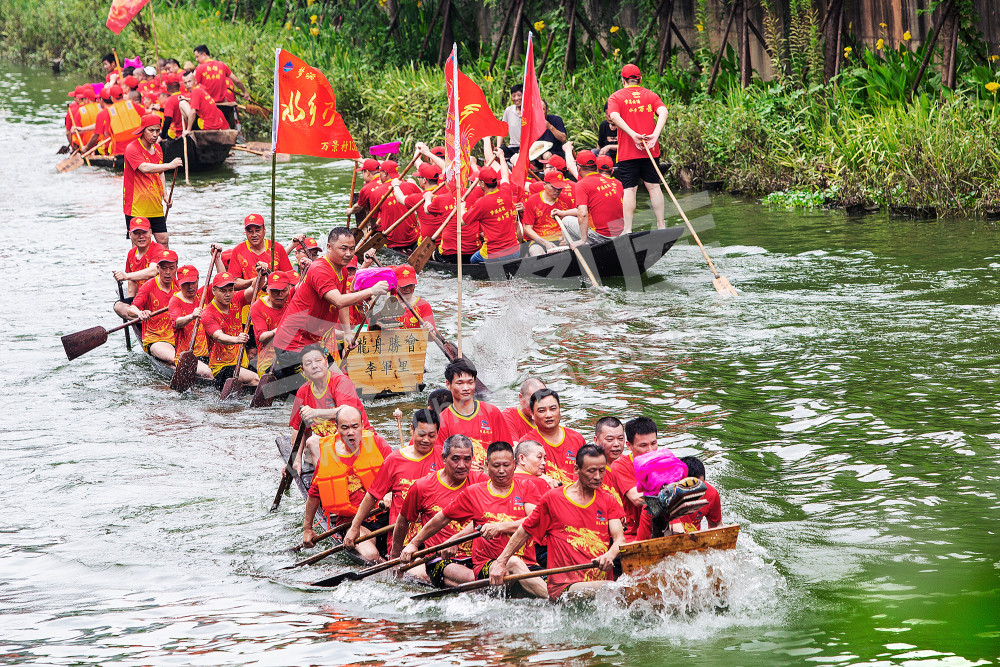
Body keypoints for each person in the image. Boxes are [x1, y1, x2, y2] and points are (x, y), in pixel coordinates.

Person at [399, 442, 544, 596]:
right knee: (513, 562)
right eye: (496, 466)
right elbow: (442, 518)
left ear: (514, 464)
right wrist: (414, 543)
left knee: (556, 582)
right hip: (489, 565)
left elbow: (534, 521)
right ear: (487, 465)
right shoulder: (474, 493)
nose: (501, 470)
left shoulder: (526, 487)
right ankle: (553, 601)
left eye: (506, 465)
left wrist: (499, 527)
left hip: (528, 563)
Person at [489, 445, 625, 600]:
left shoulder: (608, 500)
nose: (597, 477)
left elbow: (619, 539)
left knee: (619, 589)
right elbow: (524, 531)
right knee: (614, 590)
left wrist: (610, 555)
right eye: (591, 471)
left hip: (598, 583)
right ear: (576, 469)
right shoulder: (553, 499)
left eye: (601, 471)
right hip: (565, 586)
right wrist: (501, 562)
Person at [271, 227, 388, 381]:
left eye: (352, 249)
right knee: (319, 389)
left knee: (340, 382)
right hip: (293, 343)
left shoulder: (342, 270)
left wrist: (347, 333)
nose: (348, 254)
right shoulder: (320, 270)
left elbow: (342, 302)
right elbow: (338, 300)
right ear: (329, 247)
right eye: (343, 248)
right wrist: (371, 290)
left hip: (314, 343)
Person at [299, 406, 393, 559]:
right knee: (371, 555)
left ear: (362, 425)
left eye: (355, 426)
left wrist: (389, 494)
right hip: (354, 522)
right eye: (345, 427)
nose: (351, 432)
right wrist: (307, 529)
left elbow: (399, 475)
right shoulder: (328, 456)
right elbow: (314, 495)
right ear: (337, 428)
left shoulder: (378, 443)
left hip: (386, 514)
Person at [343, 409, 441, 549]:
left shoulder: (445, 458)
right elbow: (373, 495)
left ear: (437, 433)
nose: (426, 440)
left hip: (436, 535)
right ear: (412, 430)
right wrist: (355, 526)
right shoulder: (394, 460)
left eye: (431, 436)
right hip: (403, 538)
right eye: (421, 434)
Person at [391, 434, 480, 588]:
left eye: (467, 459)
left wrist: (456, 539)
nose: (462, 465)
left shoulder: (482, 482)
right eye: (455, 459)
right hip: (438, 558)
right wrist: (394, 558)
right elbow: (403, 520)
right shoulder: (422, 486)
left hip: (475, 556)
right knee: (474, 582)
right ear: (444, 458)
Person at [290, 344, 371, 475]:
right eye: (308, 363)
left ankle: (332, 476)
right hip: (332, 445)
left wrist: (315, 413)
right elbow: (297, 429)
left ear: (326, 362)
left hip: (358, 441)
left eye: (318, 360)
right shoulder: (302, 392)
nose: (314, 366)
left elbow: (346, 413)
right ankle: (330, 478)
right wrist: (296, 459)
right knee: (310, 446)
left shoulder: (342, 382)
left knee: (312, 443)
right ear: (303, 370)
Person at [607, 64, 669, 233]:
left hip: (628, 152)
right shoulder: (651, 95)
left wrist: (633, 134)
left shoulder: (616, 97)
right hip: (650, 148)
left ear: (623, 80)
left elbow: (614, 116)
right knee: (654, 187)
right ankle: (661, 226)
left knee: (630, 190)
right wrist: (655, 135)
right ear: (640, 79)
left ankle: (627, 230)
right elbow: (664, 112)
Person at [435, 359, 512, 467]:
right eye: (460, 383)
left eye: (470, 383)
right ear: (448, 384)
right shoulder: (442, 421)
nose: (466, 388)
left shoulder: (492, 412)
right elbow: (440, 461)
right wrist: (466, 467)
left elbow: (507, 451)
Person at [124, 114, 181, 247]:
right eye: (151, 130)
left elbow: (160, 172)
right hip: (136, 207)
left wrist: (165, 195)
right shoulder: (132, 148)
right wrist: (169, 165)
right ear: (143, 130)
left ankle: (164, 261)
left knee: (163, 239)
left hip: (155, 204)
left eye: (157, 130)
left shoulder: (158, 148)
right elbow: (144, 168)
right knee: (139, 242)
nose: (155, 134)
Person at [637, 455, 722, 539]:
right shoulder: (668, 496)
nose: (696, 492)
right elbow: (679, 536)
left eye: (698, 486)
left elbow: (717, 526)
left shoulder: (710, 493)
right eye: (689, 488)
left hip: (691, 538)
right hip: (652, 541)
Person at [200, 271, 260, 389]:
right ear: (213, 291)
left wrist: (261, 275)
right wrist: (237, 339)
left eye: (230, 290)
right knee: (256, 379)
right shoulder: (208, 313)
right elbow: (218, 336)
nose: (228, 294)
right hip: (221, 368)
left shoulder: (236, 299)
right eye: (223, 291)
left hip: (241, 363)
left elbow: (255, 288)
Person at [518, 388, 586, 486]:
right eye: (542, 411)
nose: (548, 415)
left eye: (553, 409)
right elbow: (521, 474)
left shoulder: (577, 438)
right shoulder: (526, 443)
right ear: (532, 414)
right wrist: (542, 478)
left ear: (559, 410)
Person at [608, 416, 659, 540]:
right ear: (629, 445)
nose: (650, 450)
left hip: (661, 526)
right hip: (633, 532)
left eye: (653, 443)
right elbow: (637, 498)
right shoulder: (620, 466)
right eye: (643, 445)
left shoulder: (663, 461)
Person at [127, 248, 179, 363]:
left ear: (176, 268)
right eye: (164, 268)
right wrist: (140, 313)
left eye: (171, 268)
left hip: (178, 337)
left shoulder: (180, 286)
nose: (168, 272)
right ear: (158, 269)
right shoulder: (149, 286)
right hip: (156, 339)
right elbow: (131, 309)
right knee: (175, 359)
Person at [466, 157, 520, 264]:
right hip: (515, 250)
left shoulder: (482, 202)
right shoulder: (506, 191)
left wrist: (462, 206)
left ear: (482, 183)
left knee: (473, 260)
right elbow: (505, 175)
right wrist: (501, 156)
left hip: (494, 253)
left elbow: (463, 221)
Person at [113, 217, 165, 319]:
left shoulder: (158, 249)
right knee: (118, 306)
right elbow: (131, 283)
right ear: (130, 234)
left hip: (159, 297)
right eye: (136, 233)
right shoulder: (131, 253)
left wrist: (126, 276)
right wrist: (132, 304)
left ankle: (147, 320)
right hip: (142, 299)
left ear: (150, 232)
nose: (141, 237)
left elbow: (153, 271)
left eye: (144, 232)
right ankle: (141, 319)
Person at [168, 264, 213, 380]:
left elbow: (221, 280)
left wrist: (217, 258)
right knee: (207, 372)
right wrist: (192, 316)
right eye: (186, 284)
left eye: (193, 282)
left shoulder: (203, 294)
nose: (190, 287)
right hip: (186, 356)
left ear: (198, 279)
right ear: (179, 283)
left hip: (208, 353)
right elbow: (177, 322)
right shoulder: (175, 301)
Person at [226, 214, 293, 291]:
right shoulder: (238, 251)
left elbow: (289, 276)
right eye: (250, 231)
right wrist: (257, 280)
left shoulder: (277, 248)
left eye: (257, 231)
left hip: (274, 294)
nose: (254, 235)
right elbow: (234, 283)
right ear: (246, 233)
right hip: (250, 295)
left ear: (264, 230)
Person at [522, 172, 583, 256]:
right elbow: (527, 229)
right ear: (544, 185)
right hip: (540, 240)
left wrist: (568, 238)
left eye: (560, 188)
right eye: (554, 187)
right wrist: (545, 243)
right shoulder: (533, 200)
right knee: (535, 251)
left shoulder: (566, 199)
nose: (557, 190)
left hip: (562, 239)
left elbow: (574, 221)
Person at [249, 270, 292, 377]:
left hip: (292, 352)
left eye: (283, 290)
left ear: (289, 289)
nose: (280, 295)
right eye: (275, 291)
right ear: (267, 290)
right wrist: (277, 331)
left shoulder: (291, 296)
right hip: (268, 360)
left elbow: (305, 285)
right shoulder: (257, 307)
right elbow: (262, 338)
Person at [574, 150, 624, 239]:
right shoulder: (618, 183)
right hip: (620, 233)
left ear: (578, 168)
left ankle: (581, 244)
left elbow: (583, 214)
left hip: (599, 235)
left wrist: (583, 240)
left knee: (567, 220)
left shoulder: (582, 184)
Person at [373, 160, 420, 252]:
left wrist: (373, 226)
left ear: (385, 173)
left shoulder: (376, 192)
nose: (379, 176)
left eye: (380, 173)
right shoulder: (411, 186)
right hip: (413, 237)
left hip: (391, 241)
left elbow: (373, 219)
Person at [593, 416, 627, 507]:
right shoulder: (589, 470)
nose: (616, 444)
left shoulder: (629, 465)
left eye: (620, 439)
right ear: (596, 440)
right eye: (610, 439)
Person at [346, 158, 383, 225]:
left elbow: (358, 207)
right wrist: (360, 160)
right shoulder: (388, 179)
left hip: (378, 223)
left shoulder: (366, 188)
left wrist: (350, 211)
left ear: (367, 173)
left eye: (362, 172)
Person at [497, 84, 522, 160]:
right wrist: (498, 148)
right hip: (513, 147)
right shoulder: (509, 111)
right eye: (514, 96)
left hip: (528, 148)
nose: (516, 98)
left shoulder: (530, 110)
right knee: (500, 151)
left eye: (519, 95)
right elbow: (502, 129)